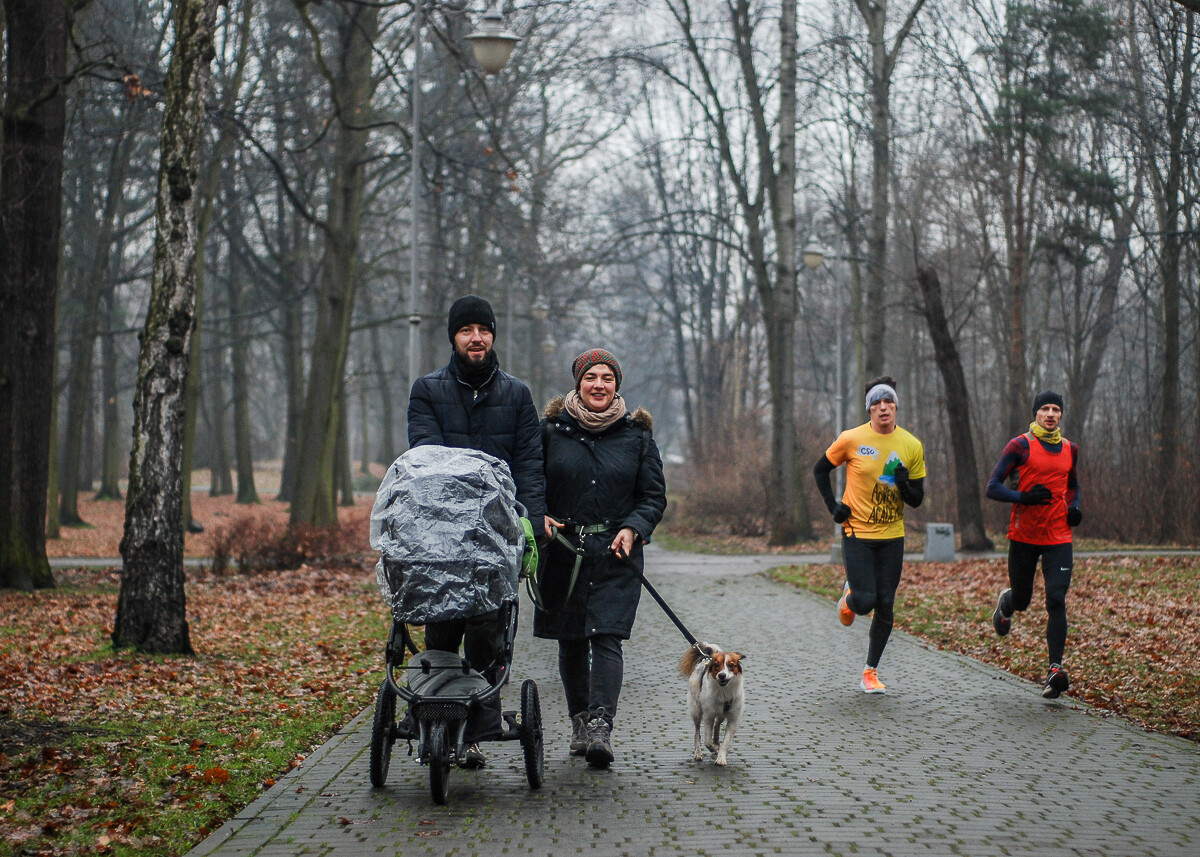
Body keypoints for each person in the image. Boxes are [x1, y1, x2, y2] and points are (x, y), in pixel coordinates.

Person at [406, 294, 546, 768]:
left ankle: (477, 728)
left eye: (483, 330)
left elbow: (530, 463)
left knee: (489, 633)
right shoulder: (427, 391)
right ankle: (435, 721)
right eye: (466, 330)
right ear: (453, 337)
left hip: (496, 537)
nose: (476, 338)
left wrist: (531, 520)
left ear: (493, 336)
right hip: (440, 536)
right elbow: (425, 457)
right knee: (441, 630)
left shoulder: (516, 394)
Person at [534, 349, 666, 769]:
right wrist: (539, 515)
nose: (599, 385)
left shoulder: (638, 437)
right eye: (591, 377)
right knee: (571, 638)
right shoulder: (550, 432)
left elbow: (652, 496)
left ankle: (600, 726)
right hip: (564, 553)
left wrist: (633, 527)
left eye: (607, 378)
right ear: (578, 383)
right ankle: (578, 721)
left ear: (617, 386)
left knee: (607, 637)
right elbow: (531, 482)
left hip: (615, 554)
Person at [812, 376, 926, 694]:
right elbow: (820, 469)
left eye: (888, 401)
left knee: (886, 604)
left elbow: (917, 499)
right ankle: (850, 597)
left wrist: (904, 484)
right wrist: (833, 505)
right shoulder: (852, 439)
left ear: (895, 406)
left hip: (893, 534)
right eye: (876, 402)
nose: (883, 406)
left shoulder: (911, 445)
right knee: (865, 602)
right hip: (857, 531)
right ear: (869, 410)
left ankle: (870, 671)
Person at [985, 391, 1082, 699]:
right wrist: (1023, 498)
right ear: (1036, 413)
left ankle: (1055, 670)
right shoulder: (1020, 445)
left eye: (1055, 409)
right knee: (1024, 600)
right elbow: (993, 487)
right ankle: (1008, 602)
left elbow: (1073, 486)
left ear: (1061, 415)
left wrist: (1074, 507)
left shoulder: (1070, 449)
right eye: (1045, 409)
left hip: (1058, 536)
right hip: (1024, 534)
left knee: (1056, 599)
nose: (1050, 414)